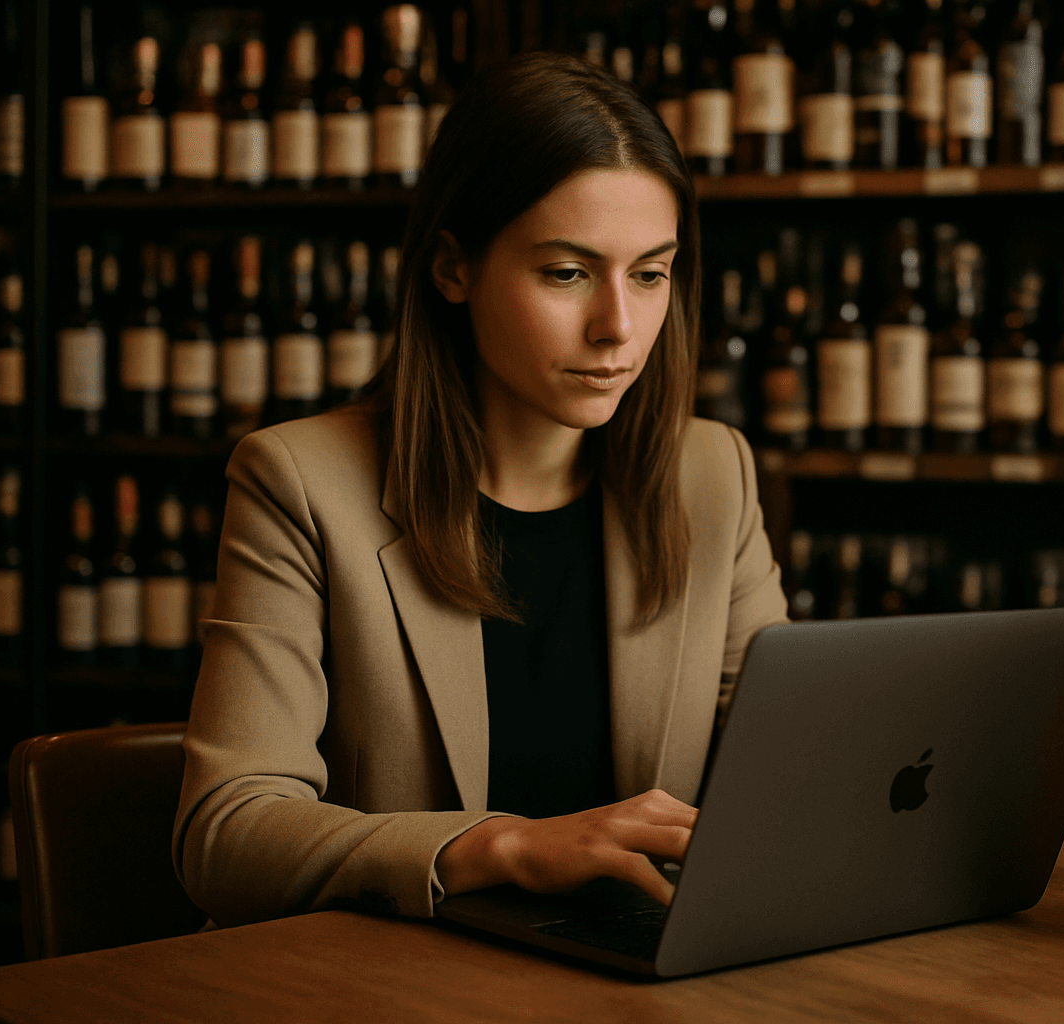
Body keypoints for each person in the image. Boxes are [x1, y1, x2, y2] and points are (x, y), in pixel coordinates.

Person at [172, 53, 788, 928]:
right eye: (567, 272)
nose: (619, 326)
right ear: (453, 268)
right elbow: (224, 834)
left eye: (650, 274)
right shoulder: (299, 484)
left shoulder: (713, 473)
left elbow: (781, 761)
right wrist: (504, 847)